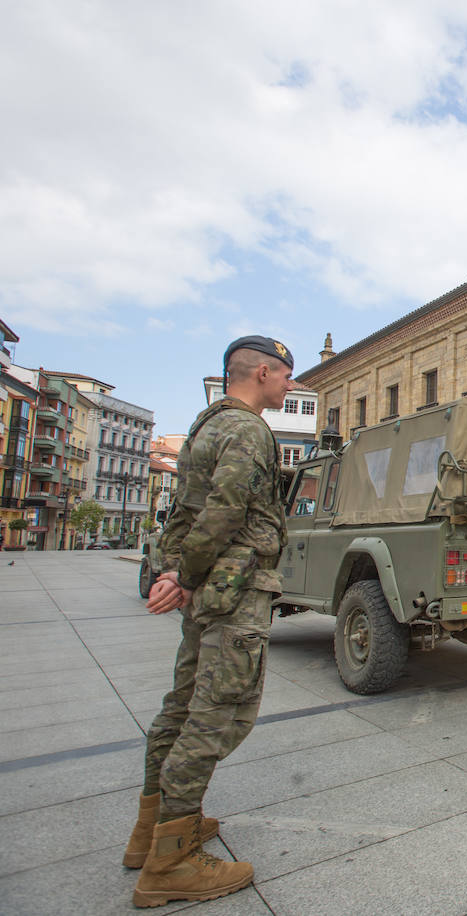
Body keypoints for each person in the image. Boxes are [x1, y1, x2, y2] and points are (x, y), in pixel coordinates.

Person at [124, 336, 293, 907]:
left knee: (183, 702)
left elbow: (183, 512)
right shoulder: (248, 430)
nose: (290, 387)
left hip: (208, 589)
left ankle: (151, 833)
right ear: (263, 373)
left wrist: (178, 571)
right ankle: (169, 863)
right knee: (217, 714)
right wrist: (191, 576)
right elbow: (226, 512)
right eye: (286, 378)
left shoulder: (205, 425)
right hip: (234, 585)